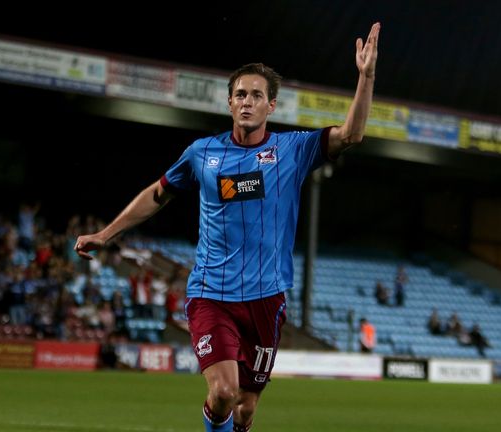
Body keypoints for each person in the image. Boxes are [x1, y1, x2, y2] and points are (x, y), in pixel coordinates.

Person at [75, 22, 380, 432]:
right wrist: (105, 234)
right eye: (240, 95)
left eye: (257, 95)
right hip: (211, 294)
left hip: (266, 300)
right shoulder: (202, 154)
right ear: (229, 103)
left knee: (246, 407)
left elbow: (352, 134)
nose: (247, 102)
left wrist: (366, 77)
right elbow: (157, 193)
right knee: (223, 393)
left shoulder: (293, 150)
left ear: (272, 105)